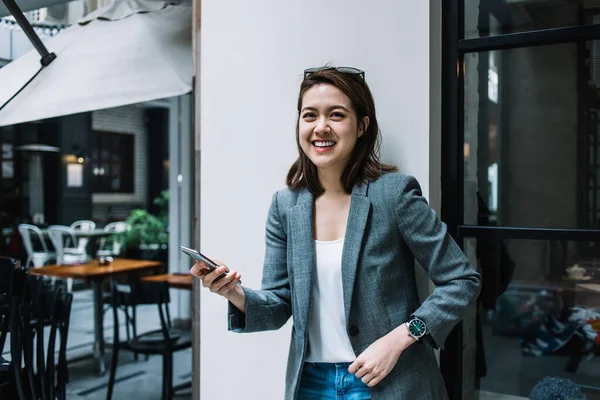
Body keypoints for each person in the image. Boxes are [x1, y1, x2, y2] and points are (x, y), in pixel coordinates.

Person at [190, 66, 481, 400]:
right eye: (309, 115)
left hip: (389, 384)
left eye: (336, 115)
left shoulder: (394, 195)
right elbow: (279, 304)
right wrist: (233, 292)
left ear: (361, 126)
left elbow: (461, 280)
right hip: (311, 385)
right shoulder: (284, 207)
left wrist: (401, 336)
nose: (321, 127)